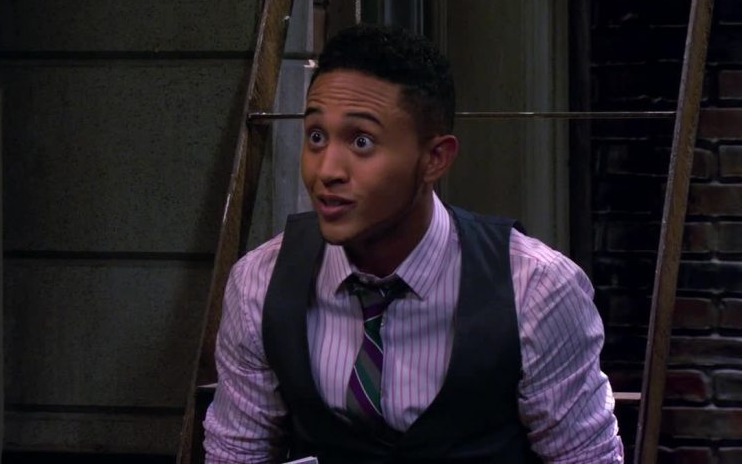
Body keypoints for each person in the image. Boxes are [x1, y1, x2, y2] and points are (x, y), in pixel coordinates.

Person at [203, 24, 623, 463]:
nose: (327, 170)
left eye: (361, 141)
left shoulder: (537, 288)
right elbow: (236, 455)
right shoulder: (260, 283)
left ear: (434, 159)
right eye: (316, 136)